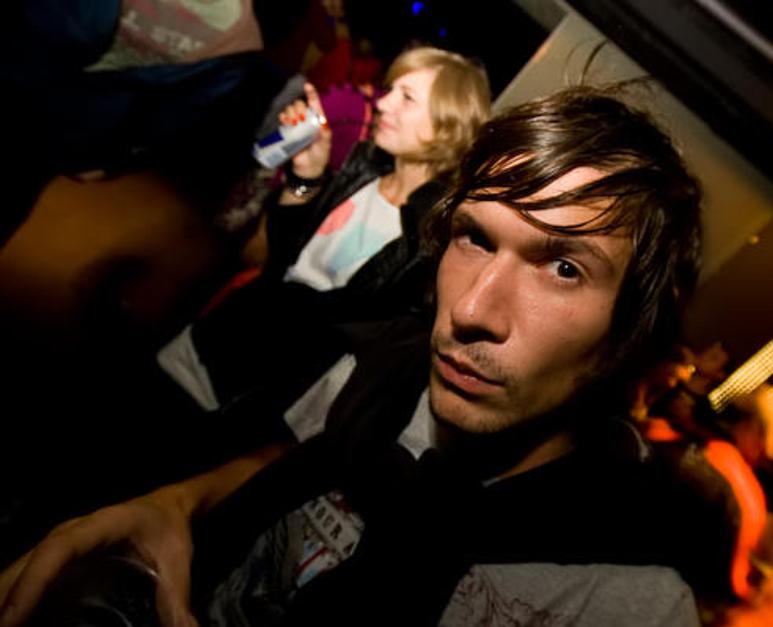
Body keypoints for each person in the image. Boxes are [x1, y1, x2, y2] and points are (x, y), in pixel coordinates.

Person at [0, 85, 728, 626]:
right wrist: (175, 503)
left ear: (626, 337)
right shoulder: (379, 372)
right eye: (475, 237)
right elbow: (282, 463)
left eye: (563, 268)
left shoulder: (628, 600)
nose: (472, 311)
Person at [157, 45, 491, 417]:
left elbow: (354, 331)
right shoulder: (362, 169)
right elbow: (279, 255)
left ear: (448, 126)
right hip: (213, 339)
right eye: (391, 90)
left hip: (256, 390)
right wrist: (308, 176)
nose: (383, 103)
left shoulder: (432, 237)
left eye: (407, 98)